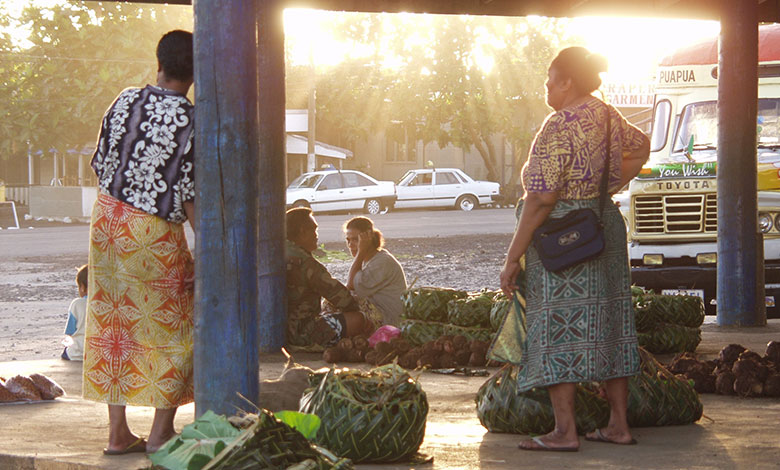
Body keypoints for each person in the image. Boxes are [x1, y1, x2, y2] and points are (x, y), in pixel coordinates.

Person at [496, 47, 650, 452]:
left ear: (567, 81)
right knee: (612, 322)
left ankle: (565, 432)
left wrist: (513, 256)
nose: (546, 88)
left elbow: (541, 198)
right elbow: (642, 146)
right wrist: (607, 187)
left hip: (563, 237)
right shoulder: (606, 115)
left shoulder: (559, 124)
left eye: (550, 80)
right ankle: (619, 425)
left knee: (555, 327)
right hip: (603, 229)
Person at [82, 30, 196, 456]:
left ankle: (117, 434)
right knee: (177, 327)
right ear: (196, 70)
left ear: (159, 61)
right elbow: (187, 194)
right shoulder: (191, 118)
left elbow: (101, 163)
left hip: (107, 221)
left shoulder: (124, 99)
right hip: (152, 232)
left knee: (114, 326)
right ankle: (160, 432)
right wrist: (205, 248)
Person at [286, 207, 374, 348]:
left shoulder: (278, 251)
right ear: (303, 232)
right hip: (298, 333)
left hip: (276, 329)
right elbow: (343, 298)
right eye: (314, 230)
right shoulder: (305, 263)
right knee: (358, 319)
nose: (316, 235)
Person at [344, 216, 407, 326]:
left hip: (389, 320)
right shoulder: (366, 260)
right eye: (348, 240)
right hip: (377, 311)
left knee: (341, 302)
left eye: (355, 240)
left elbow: (351, 285)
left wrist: (361, 252)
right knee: (334, 299)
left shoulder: (383, 261)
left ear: (368, 238)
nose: (350, 245)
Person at [61, 265, 88, 361]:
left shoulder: (77, 304)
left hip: (77, 353)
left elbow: (70, 332)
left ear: (82, 287)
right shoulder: (106, 304)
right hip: (98, 354)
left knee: (66, 349)